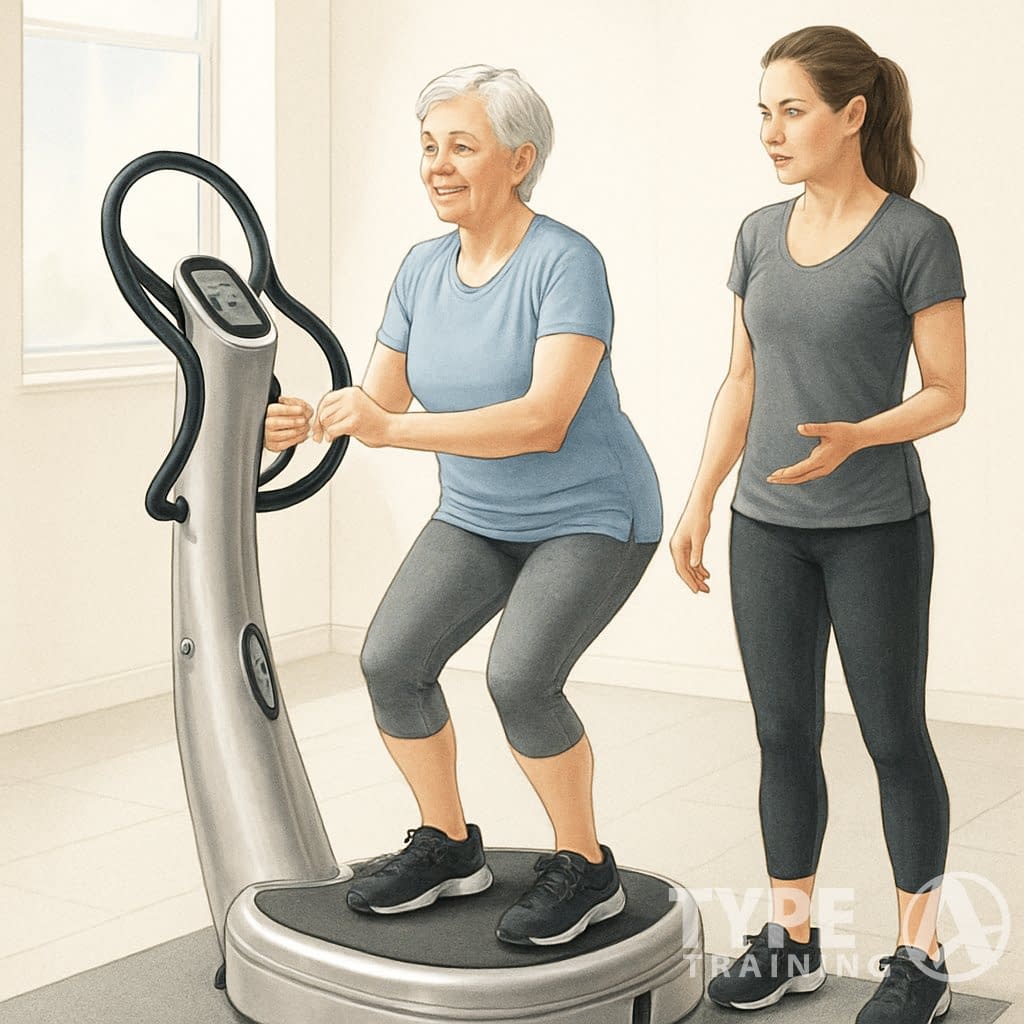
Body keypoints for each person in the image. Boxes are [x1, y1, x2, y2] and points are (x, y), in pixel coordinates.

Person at [264, 64, 662, 947]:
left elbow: (543, 418)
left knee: (520, 677)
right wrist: (307, 420)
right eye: (429, 147)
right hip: (480, 515)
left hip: (592, 513)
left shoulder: (566, 262)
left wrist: (382, 427)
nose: (437, 165)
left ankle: (585, 867)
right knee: (391, 660)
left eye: (461, 147)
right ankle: (448, 845)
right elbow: (380, 400)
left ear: (520, 159)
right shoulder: (420, 268)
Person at [669, 26, 965, 1023]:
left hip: (875, 524)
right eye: (763, 111)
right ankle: (791, 942)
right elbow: (741, 378)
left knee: (892, 738)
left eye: (790, 109)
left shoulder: (915, 236)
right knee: (779, 734)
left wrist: (859, 436)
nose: (771, 130)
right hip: (767, 527)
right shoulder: (757, 233)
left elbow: (947, 393)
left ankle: (919, 960)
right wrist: (702, 494)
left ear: (852, 113)